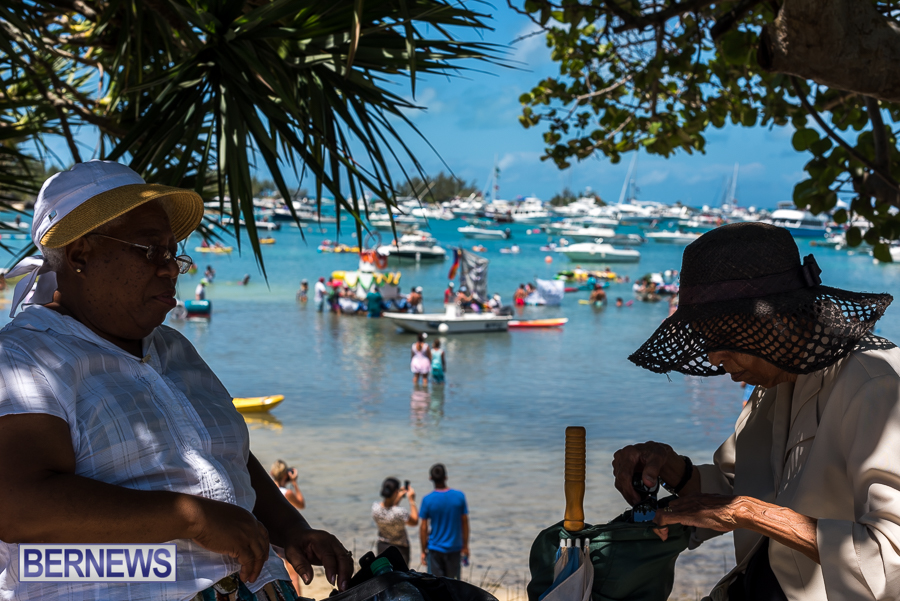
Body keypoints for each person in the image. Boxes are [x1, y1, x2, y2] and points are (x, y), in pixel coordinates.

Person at [0, 161, 353, 600]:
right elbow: (18, 506)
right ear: (80, 255)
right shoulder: (26, 356)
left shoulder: (173, 347)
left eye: (173, 254)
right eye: (150, 251)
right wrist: (189, 520)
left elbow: (224, 455)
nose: (170, 269)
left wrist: (291, 529)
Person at [614, 222, 898, 601]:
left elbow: (890, 559)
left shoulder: (875, 384)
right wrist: (673, 470)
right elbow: (738, 489)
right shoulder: (774, 380)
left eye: (723, 337)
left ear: (779, 319)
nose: (713, 358)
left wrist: (750, 514)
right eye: (706, 339)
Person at [419, 464, 468, 579]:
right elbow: (465, 523)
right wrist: (465, 546)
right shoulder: (459, 496)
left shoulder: (427, 500)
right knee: (453, 585)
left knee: (435, 585)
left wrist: (423, 550)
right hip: (454, 548)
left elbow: (423, 528)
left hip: (435, 549)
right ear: (446, 477)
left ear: (430, 478)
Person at [270, 460, 307, 595]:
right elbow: (301, 504)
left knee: (273, 574)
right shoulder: (287, 493)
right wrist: (295, 483)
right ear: (286, 475)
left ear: (271, 473)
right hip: (284, 537)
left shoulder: (267, 491)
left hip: (270, 535)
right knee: (293, 575)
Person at [372, 478, 419, 566]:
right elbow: (415, 521)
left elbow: (389, 511)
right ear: (395, 492)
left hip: (382, 546)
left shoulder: (375, 508)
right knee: (401, 574)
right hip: (400, 549)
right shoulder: (400, 512)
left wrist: (397, 497)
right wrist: (412, 500)